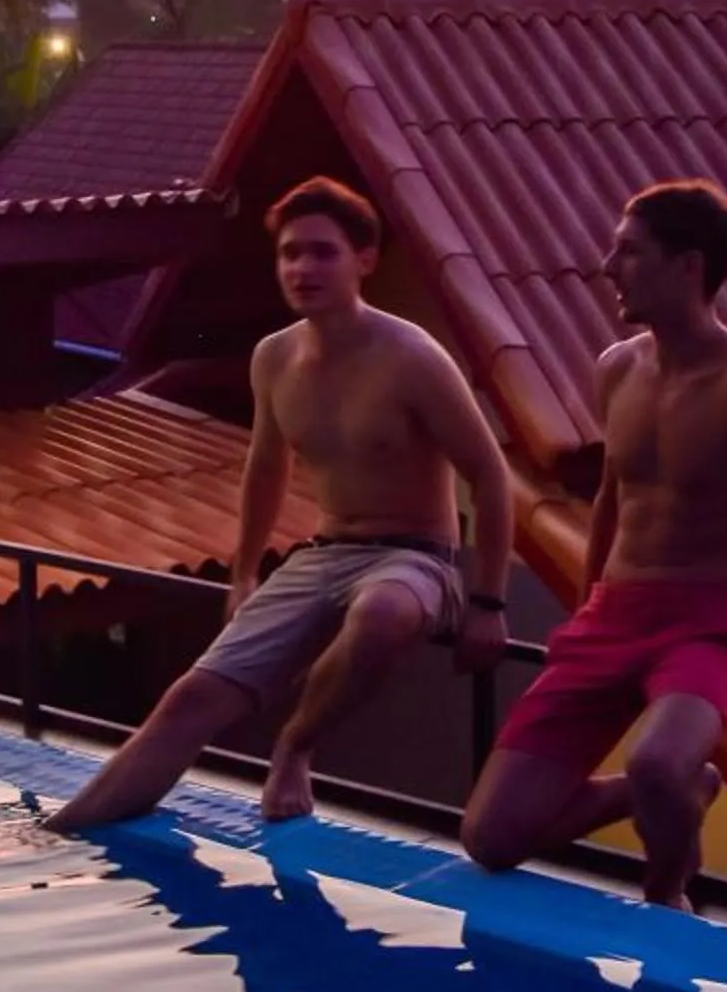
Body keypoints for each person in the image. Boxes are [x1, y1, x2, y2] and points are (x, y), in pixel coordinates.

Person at [50, 175, 514, 830]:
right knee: (190, 697)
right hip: (322, 553)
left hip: (414, 557)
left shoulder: (412, 357)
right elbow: (266, 467)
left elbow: (490, 476)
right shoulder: (275, 358)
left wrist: (489, 602)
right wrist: (243, 572)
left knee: (380, 613)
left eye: (322, 252)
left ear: (364, 261)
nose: (302, 267)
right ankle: (62, 833)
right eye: (290, 253)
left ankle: (295, 745)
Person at [460, 177, 727, 906]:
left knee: (658, 764)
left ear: (687, 267)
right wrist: (584, 611)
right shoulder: (617, 369)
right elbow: (612, 495)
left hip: (707, 624)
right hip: (614, 615)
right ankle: (677, 795)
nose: (607, 267)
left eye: (629, 252)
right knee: (490, 839)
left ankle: (667, 896)